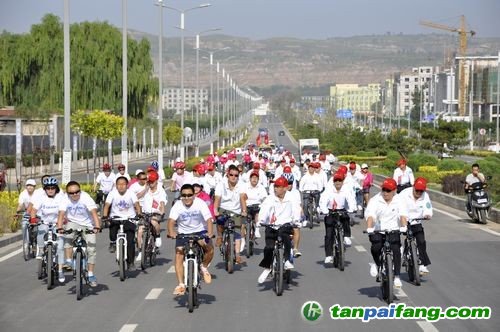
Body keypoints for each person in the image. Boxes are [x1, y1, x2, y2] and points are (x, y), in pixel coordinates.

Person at [167, 184, 214, 296]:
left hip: (200, 231)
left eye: (189, 195)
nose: (187, 198)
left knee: (209, 249)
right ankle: (181, 284)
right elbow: (171, 221)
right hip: (183, 233)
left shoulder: (200, 203)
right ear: (181, 196)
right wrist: (172, 232)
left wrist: (210, 233)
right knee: (179, 253)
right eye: (184, 195)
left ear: (194, 195)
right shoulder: (177, 205)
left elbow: (208, 219)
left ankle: (203, 267)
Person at [257, 177, 301, 284]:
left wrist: (296, 220)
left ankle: (287, 260)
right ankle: (267, 268)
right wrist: (261, 220)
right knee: (269, 247)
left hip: (285, 225)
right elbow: (264, 210)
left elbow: (296, 210)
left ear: (285, 188)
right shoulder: (270, 198)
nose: (275, 188)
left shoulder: (292, 198)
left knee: (284, 235)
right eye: (275, 186)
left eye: (278, 186)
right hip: (272, 226)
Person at [57, 181, 101, 287]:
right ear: (68, 193)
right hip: (73, 222)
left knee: (91, 249)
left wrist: (97, 226)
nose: (75, 194)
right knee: (67, 236)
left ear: (80, 191)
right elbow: (61, 215)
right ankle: (68, 260)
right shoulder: (65, 199)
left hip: (88, 224)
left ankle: (90, 274)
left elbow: (94, 213)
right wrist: (59, 228)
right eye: (71, 193)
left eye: (77, 192)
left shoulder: (86, 197)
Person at [365, 178, 408, 289]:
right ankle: (376, 263)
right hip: (378, 230)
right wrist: (369, 228)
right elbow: (370, 215)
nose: (385, 193)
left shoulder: (400, 200)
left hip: (393, 229)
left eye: (388, 190)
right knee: (376, 247)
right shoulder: (375, 200)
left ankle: (397, 276)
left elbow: (403, 215)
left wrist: (404, 227)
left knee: (396, 251)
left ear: (394, 190)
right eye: (384, 190)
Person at [30, 177, 66, 283]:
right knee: (40, 235)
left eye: (52, 188)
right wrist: (33, 219)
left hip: (57, 224)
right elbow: (34, 210)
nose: (50, 190)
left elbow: (65, 211)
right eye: (48, 188)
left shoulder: (61, 197)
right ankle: (41, 251)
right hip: (45, 223)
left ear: (56, 188)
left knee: (60, 247)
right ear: (45, 189)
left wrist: (65, 220)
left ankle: (60, 271)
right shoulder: (41, 198)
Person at [103, 176, 141, 270]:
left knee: (130, 241)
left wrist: (139, 214)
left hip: (129, 218)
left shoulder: (131, 193)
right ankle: (112, 243)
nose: (121, 186)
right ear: (116, 185)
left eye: (123, 184)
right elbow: (107, 205)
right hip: (115, 217)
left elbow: (136, 204)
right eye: (119, 184)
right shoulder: (112, 193)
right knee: (112, 228)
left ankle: (130, 262)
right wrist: (105, 216)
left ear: (127, 185)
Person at [319, 171, 357, 264]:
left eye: (340, 180)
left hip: (341, 210)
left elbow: (351, 200)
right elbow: (323, 201)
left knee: (346, 219)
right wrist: (324, 210)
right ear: (333, 182)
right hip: (330, 212)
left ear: (342, 181)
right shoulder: (328, 190)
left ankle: (346, 236)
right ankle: (329, 255)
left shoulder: (346, 190)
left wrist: (352, 208)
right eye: (336, 180)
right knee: (329, 235)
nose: (338, 182)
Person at [399, 177, 433, 275]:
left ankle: (422, 264)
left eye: (421, 191)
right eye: (417, 190)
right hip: (403, 219)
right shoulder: (404, 194)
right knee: (400, 239)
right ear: (413, 187)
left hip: (417, 221)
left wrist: (427, 214)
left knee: (421, 241)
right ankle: (403, 254)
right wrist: (403, 220)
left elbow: (428, 207)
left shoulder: (425, 195)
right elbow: (399, 207)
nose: (418, 192)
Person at [213, 164, 245, 264]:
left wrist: (244, 211)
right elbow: (217, 198)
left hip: (236, 211)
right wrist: (215, 210)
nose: (233, 177)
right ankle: (219, 236)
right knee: (220, 221)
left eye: (236, 175)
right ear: (228, 174)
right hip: (223, 209)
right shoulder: (221, 185)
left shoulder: (241, 185)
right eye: (231, 175)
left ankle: (238, 255)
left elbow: (242, 199)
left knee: (238, 233)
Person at [136, 171, 167, 262]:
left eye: (152, 182)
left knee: (154, 222)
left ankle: (157, 236)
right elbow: (137, 197)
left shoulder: (160, 190)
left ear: (156, 181)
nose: (151, 184)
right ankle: (141, 252)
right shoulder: (146, 189)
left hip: (156, 213)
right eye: (149, 182)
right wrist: (145, 189)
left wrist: (162, 211)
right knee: (140, 231)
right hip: (145, 213)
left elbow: (162, 202)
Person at [241, 172, 268, 240]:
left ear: (258, 180)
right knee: (243, 220)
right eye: (253, 178)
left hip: (257, 206)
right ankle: (243, 237)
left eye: (256, 178)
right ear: (250, 179)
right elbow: (241, 196)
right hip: (246, 205)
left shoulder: (261, 187)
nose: (254, 179)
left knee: (257, 214)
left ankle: (257, 229)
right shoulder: (244, 186)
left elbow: (265, 198)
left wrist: (263, 205)